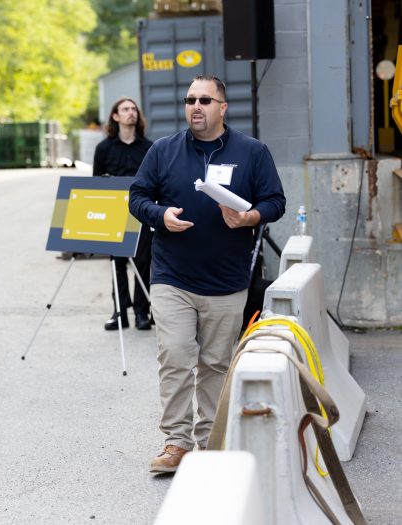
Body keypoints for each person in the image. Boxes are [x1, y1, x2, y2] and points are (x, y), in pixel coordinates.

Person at [128, 75, 286, 473]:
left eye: (205, 100)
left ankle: (210, 442)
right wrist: (160, 215)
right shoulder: (164, 151)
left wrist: (250, 216)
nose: (195, 106)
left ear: (222, 107)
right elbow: (137, 197)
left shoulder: (252, 152)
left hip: (226, 280)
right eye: (189, 100)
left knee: (216, 363)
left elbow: (275, 201)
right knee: (176, 355)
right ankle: (176, 442)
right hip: (171, 276)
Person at [93, 97, 154, 331]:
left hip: (141, 213)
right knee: (116, 264)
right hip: (114, 215)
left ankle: (141, 312)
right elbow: (95, 184)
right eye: (125, 109)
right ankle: (120, 312)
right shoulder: (103, 149)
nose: (131, 113)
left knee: (142, 263)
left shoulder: (149, 147)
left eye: (134, 109)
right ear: (116, 117)